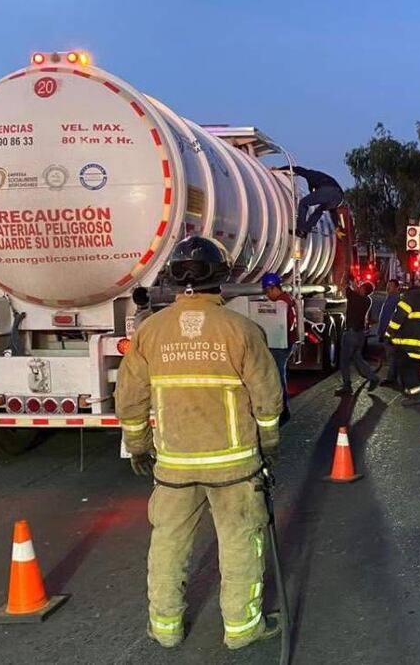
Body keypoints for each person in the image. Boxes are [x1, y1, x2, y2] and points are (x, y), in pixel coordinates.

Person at [115, 236, 284, 651]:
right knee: (241, 542)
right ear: (221, 281)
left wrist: (138, 446)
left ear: (173, 280)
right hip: (235, 467)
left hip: (173, 466)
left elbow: (129, 402)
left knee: (168, 544)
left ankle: (166, 628)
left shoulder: (150, 333)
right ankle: (242, 630)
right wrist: (269, 443)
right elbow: (267, 399)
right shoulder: (242, 330)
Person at [384, 272, 420, 405]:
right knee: (414, 369)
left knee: (406, 368)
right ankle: (410, 393)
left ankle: (416, 396)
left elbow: (399, 316)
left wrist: (389, 334)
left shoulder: (411, 295)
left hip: (407, 343)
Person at [262, 272, 296, 424]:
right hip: (285, 343)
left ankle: (283, 411)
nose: (267, 295)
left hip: (280, 345)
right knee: (279, 376)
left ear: (272, 288)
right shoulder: (287, 299)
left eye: (267, 291)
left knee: (278, 377)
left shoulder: (281, 303)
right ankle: (283, 409)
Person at [336, 280, 381, 396]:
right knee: (358, 359)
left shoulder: (356, 299)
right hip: (360, 335)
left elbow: (347, 288)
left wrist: (349, 281)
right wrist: (355, 286)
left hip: (351, 334)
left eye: (361, 287)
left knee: (344, 361)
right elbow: (353, 291)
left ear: (364, 290)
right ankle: (373, 377)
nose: (359, 287)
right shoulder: (367, 301)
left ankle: (347, 385)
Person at [273, 165, 343, 238]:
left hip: (329, 190)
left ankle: (300, 230)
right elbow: (333, 212)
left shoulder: (310, 174)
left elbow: (296, 169)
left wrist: (279, 169)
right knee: (320, 210)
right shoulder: (321, 178)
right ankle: (306, 229)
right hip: (339, 197)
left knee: (303, 203)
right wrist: (337, 228)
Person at [376, 279, 401, 386]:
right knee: (391, 356)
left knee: (392, 356)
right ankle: (393, 378)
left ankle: (392, 379)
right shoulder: (390, 298)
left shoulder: (396, 300)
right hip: (387, 333)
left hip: (391, 334)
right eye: (387, 285)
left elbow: (393, 318)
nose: (388, 287)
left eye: (391, 285)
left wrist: (390, 333)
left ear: (397, 288)